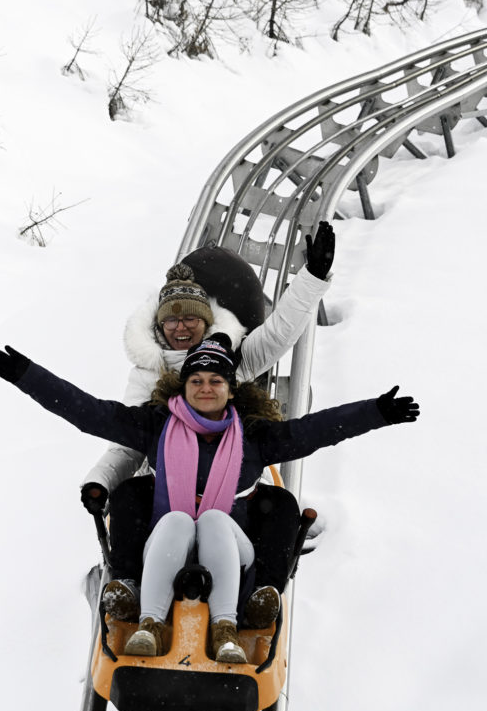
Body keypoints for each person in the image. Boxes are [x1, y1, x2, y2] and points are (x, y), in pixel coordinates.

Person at [0, 334, 419, 663]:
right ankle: (142, 609)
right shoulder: (154, 426)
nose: (205, 388)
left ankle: (236, 618)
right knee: (156, 505)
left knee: (231, 514)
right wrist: (27, 376)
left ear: (231, 389)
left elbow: (314, 431)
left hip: (230, 550)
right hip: (165, 543)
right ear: (183, 387)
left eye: (215, 380)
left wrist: (376, 412)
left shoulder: (253, 437)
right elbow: (88, 412)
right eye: (196, 380)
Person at [80, 222, 336, 622]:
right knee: (130, 497)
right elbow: (127, 438)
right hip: (169, 483)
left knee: (278, 507)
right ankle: (129, 585)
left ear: (207, 322)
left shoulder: (230, 359)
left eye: (191, 320)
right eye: (172, 321)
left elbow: (280, 333)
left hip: (229, 476)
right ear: (159, 326)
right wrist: (101, 480)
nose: (181, 328)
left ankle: (261, 594)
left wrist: (313, 278)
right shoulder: (148, 372)